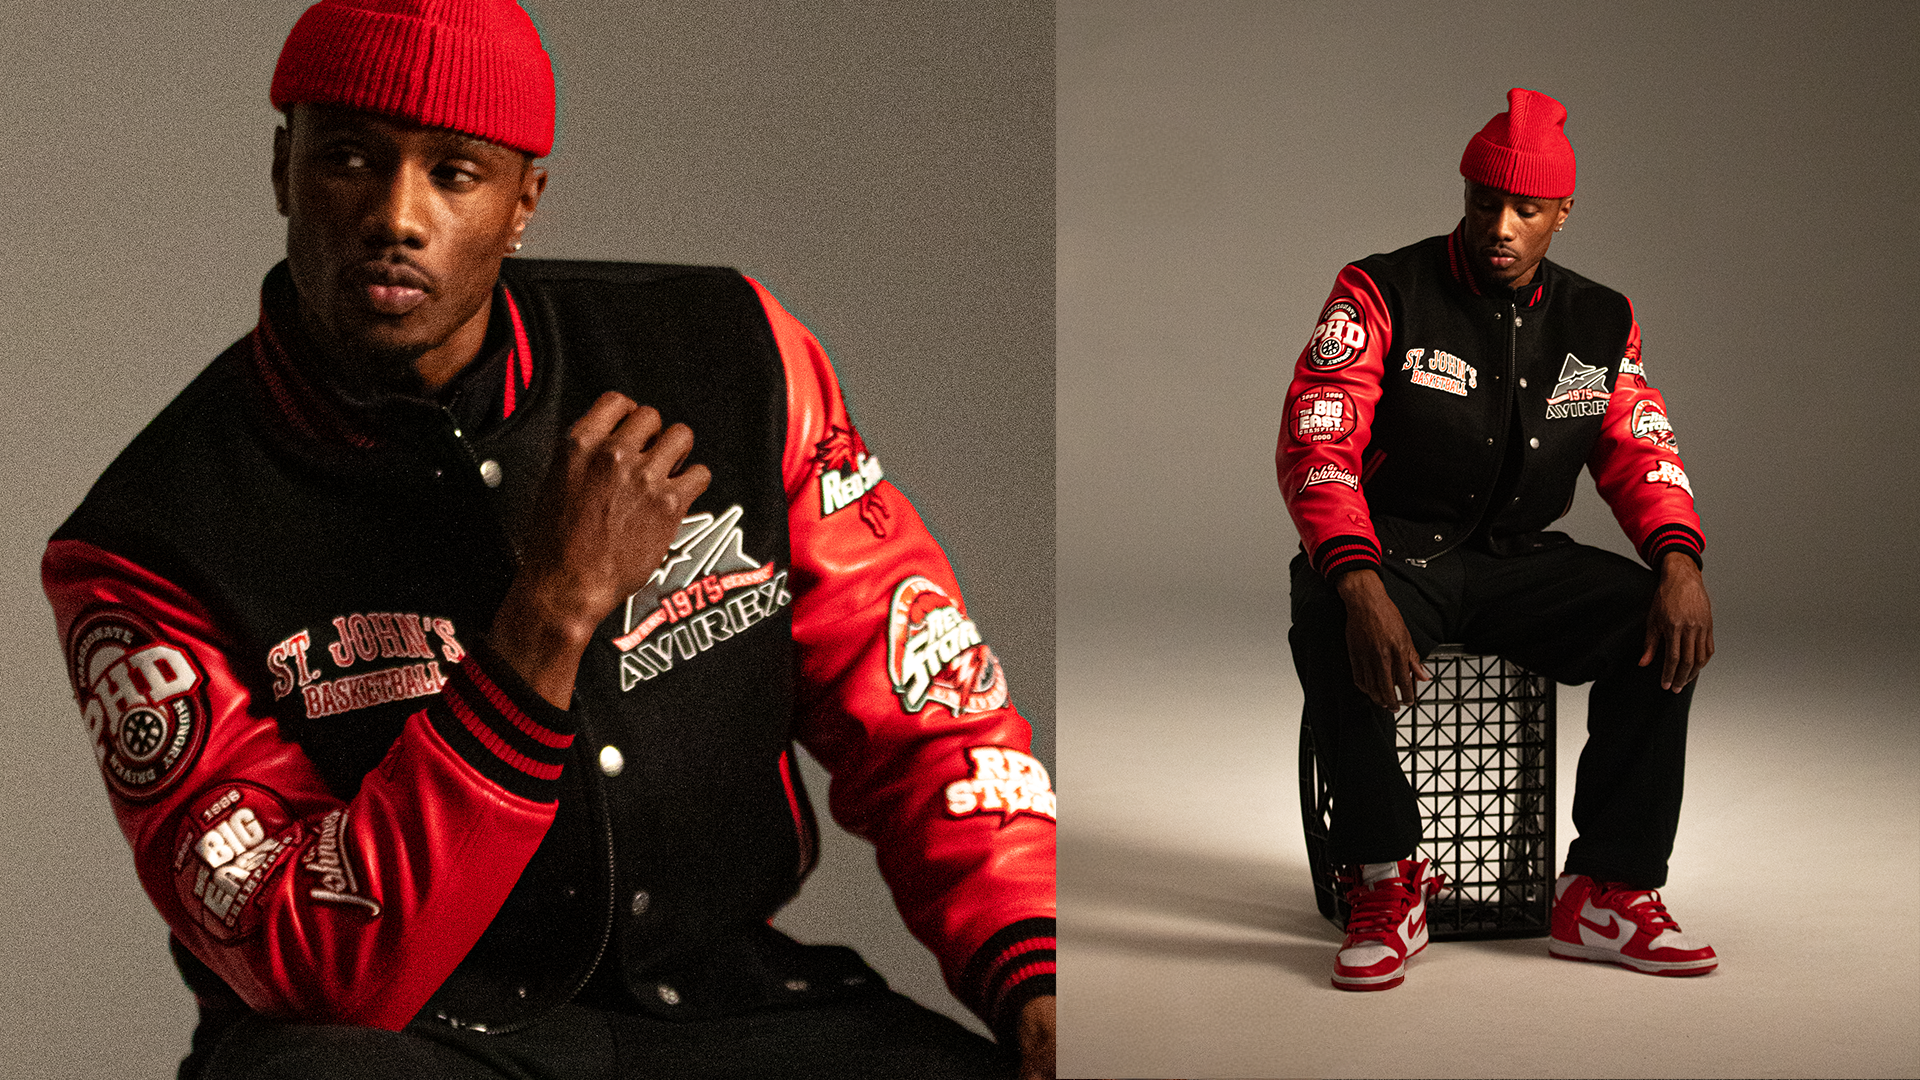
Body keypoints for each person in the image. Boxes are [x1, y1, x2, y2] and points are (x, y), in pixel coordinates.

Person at [41, 1, 1054, 1076]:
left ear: (525, 200)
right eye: (348, 158)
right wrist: (550, 616)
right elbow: (316, 955)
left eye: (455, 173)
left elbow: (926, 710)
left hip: (735, 1008)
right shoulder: (146, 542)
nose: (397, 214)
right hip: (413, 1043)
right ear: (283, 168)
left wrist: (1032, 965)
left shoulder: (733, 356)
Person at [1276, 87, 1716, 992]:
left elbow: (1640, 445)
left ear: (1562, 213)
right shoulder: (1380, 289)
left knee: (1655, 621)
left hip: (1520, 559)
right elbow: (1318, 438)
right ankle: (1386, 881)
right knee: (1326, 610)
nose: (1501, 227)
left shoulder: (1599, 318)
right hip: (1400, 552)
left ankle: (1606, 890)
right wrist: (1359, 583)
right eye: (1485, 202)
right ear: (1466, 194)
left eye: (1526, 210)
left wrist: (1680, 561)